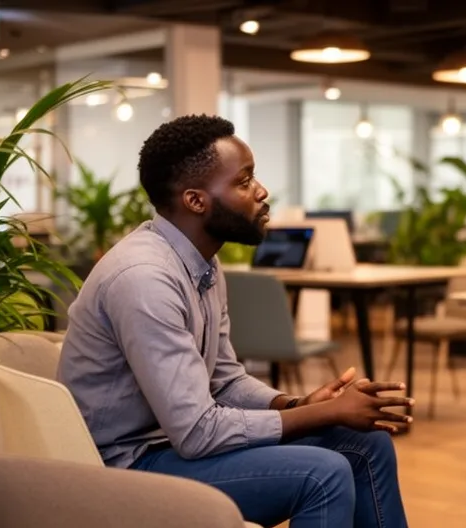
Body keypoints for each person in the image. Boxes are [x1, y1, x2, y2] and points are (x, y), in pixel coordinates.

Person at [58, 114, 411, 528]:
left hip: (167, 447)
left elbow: (224, 380)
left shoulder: (202, 263)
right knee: (323, 474)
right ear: (195, 200)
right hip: (124, 467)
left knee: (367, 445)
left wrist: (295, 404)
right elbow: (197, 433)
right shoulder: (144, 278)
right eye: (243, 182)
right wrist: (327, 414)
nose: (262, 192)